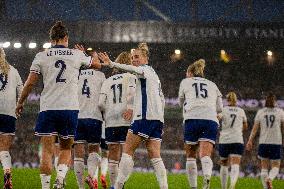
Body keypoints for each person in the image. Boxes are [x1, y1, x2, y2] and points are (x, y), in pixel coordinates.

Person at [15, 21, 101, 189]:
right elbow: (97, 65)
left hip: (48, 108)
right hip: (69, 108)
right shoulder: (75, 54)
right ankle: (60, 179)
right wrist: (84, 56)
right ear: (66, 38)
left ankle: (46, 187)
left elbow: (30, 83)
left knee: (47, 151)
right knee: (66, 148)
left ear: (51, 39)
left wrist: (20, 102)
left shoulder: (41, 56)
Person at [98, 43, 168, 189]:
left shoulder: (144, 70)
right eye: (132, 57)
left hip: (144, 117)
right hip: (156, 119)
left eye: (137, 57)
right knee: (155, 154)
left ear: (145, 59)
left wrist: (111, 64)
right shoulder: (155, 76)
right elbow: (162, 99)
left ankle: (117, 186)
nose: (134, 60)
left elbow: (131, 69)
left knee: (128, 150)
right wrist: (161, 121)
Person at [178, 59, 223, 189]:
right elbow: (220, 108)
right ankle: (207, 176)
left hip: (192, 118)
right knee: (205, 155)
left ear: (191, 73)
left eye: (187, 73)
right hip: (210, 119)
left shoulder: (185, 82)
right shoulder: (212, 84)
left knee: (191, 155)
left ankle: (193, 187)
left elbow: (181, 102)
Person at [98, 52, 136, 189]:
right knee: (128, 154)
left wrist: (107, 112)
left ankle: (114, 185)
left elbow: (101, 104)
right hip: (127, 119)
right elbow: (133, 96)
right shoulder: (132, 77)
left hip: (111, 121)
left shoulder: (108, 81)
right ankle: (120, 185)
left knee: (113, 153)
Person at [73, 58, 106, 189]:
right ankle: (91, 176)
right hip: (94, 117)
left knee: (78, 152)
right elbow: (103, 99)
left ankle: (81, 187)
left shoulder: (78, 74)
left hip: (78, 116)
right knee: (94, 149)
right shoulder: (101, 75)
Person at [246, 94, 284, 189]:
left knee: (264, 167)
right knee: (275, 165)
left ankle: (265, 187)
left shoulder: (261, 112)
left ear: (265, 101)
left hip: (263, 142)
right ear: (275, 102)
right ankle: (270, 179)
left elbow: (255, 129)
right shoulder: (280, 112)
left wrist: (250, 140)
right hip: (276, 142)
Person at [0, 48, 23, 189]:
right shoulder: (13, 71)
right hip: (8, 112)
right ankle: (7, 175)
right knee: (4, 149)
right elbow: (21, 90)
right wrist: (19, 106)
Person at [218, 92, 248, 189]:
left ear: (227, 100)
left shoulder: (224, 109)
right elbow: (245, 126)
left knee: (224, 164)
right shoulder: (241, 111)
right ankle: (232, 185)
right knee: (235, 164)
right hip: (237, 139)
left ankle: (224, 187)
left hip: (225, 140)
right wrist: (238, 130)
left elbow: (217, 118)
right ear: (236, 100)